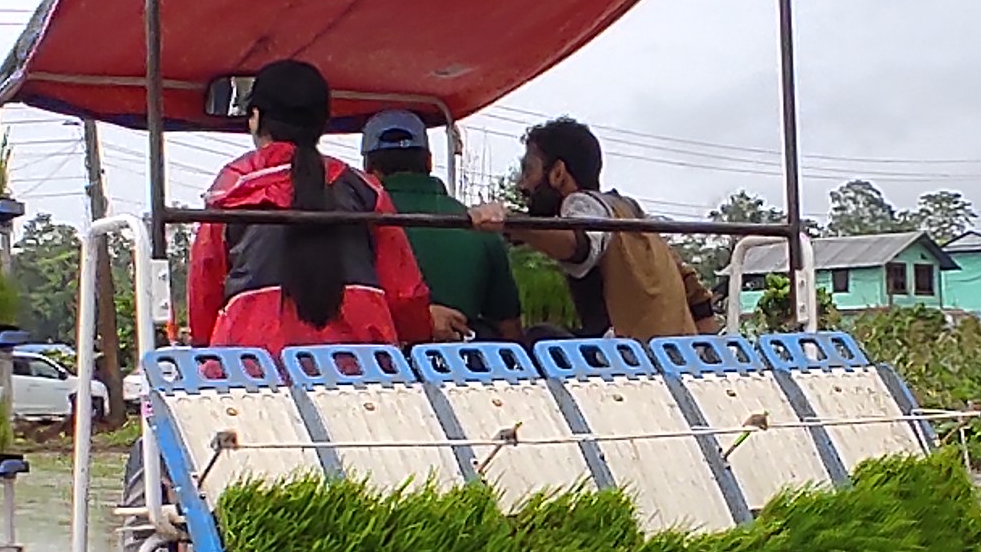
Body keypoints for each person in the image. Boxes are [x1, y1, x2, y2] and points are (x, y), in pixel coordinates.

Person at [184, 60, 437, 353]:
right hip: (364, 369)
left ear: (255, 117)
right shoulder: (366, 192)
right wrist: (418, 338)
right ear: (323, 122)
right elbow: (406, 296)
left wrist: (205, 349)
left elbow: (204, 291)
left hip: (251, 369)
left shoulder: (231, 190)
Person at [470, 116, 720, 341]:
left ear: (557, 173)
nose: (522, 184)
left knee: (534, 337)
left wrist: (512, 223)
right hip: (670, 363)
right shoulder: (631, 211)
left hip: (625, 361)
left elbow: (579, 244)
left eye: (528, 170)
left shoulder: (582, 204)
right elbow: (699, 300)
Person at [359, 108, 519, 342]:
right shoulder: (480, 228)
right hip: (461, 368)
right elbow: (510, 331)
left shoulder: (356, 224)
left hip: (378, 367)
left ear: (369, 168)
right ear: (429, 162)